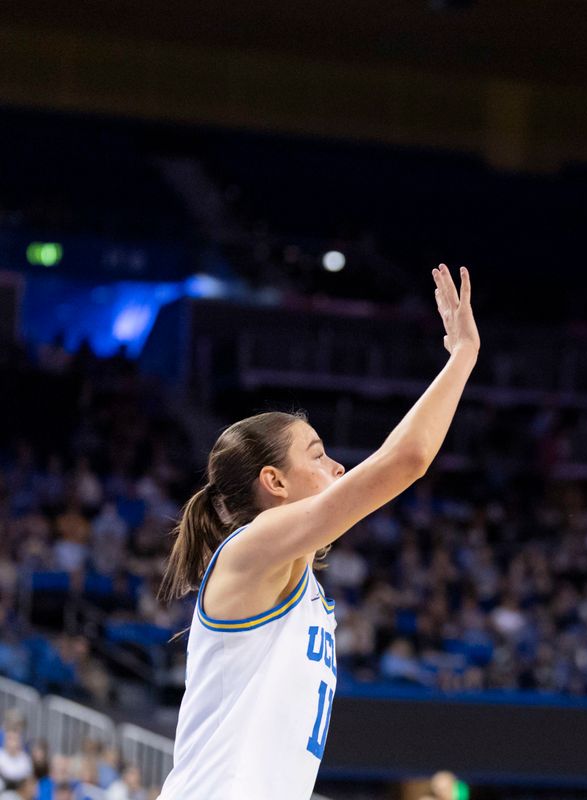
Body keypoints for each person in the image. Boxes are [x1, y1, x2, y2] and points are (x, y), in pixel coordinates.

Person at [157, 265, 479, 800]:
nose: (338, 468)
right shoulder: (250, 548)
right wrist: (463, 355)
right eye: (318, 455)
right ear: (274, 481)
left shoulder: (297, 582)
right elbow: (408, 459)